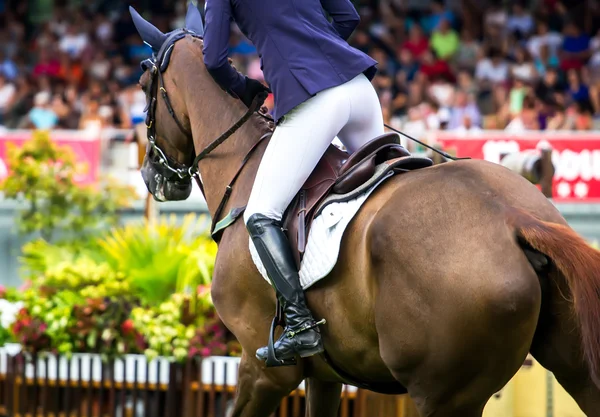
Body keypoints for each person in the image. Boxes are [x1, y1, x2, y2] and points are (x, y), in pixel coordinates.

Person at [203, 0, 386, 365]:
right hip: (358, 88)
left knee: (260, 214)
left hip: (314, 98)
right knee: (383, 192)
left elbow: (213, 60)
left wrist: (247, 86)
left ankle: (301, 326)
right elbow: (348, 16)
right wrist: (320, 54)